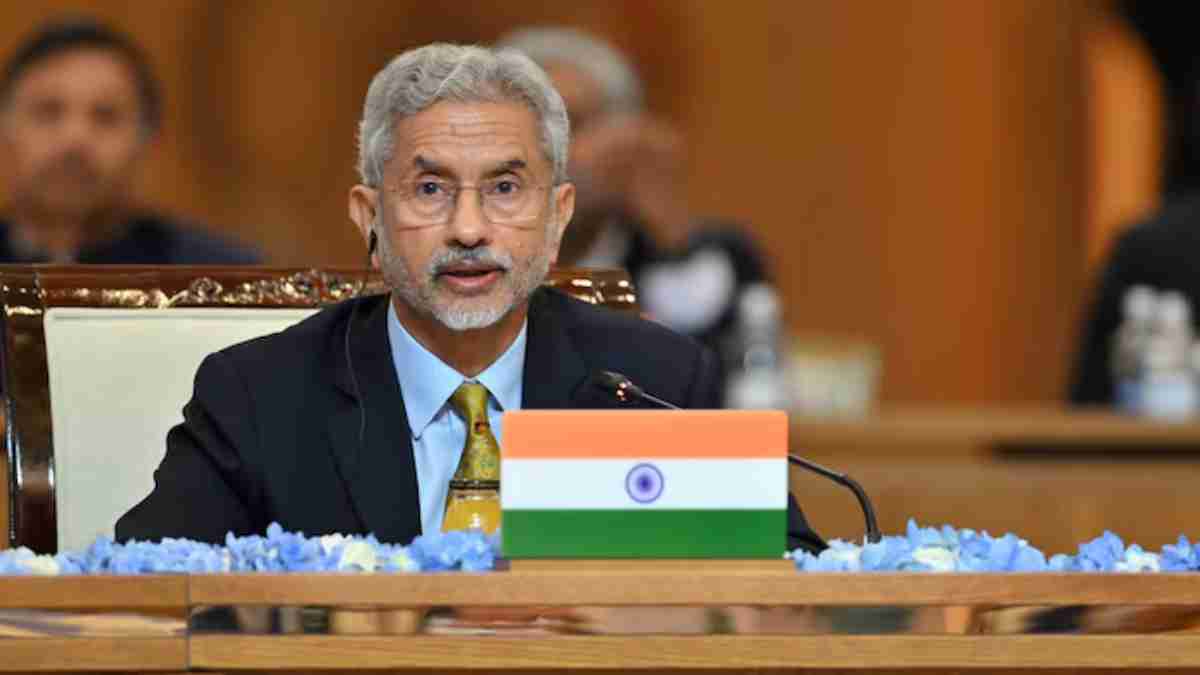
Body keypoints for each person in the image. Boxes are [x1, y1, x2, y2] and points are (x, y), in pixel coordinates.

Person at [115, 43, 823, 553]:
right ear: (368, 216)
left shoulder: (653, 382)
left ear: (558, 217)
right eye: (430, 189)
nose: (469, 229)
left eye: (506, 188)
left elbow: (784, 583)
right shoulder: (260, 394)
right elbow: (145, 591)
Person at [496, 28, 771, 361]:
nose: (547, 152)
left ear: (631, 138)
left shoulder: (711, 261)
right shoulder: (461, 259)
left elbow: (716, 377)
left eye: (572, 124)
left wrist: (670, 230)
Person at [0, 19, 259, 264]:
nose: (75, 139)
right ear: (6, 127)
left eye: (106, 115)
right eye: (48, 111)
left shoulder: (221, 277)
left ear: (147, 138)